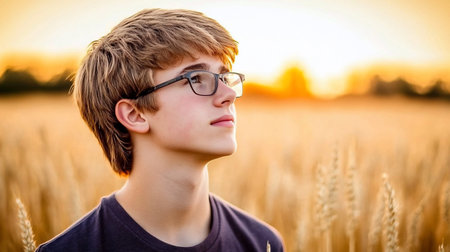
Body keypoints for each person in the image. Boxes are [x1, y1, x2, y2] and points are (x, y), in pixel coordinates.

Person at [37, 8, 284, 252]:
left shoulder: (261, 243)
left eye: (224, 76)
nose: (229, 94)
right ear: (135, 115)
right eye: (196, 78)